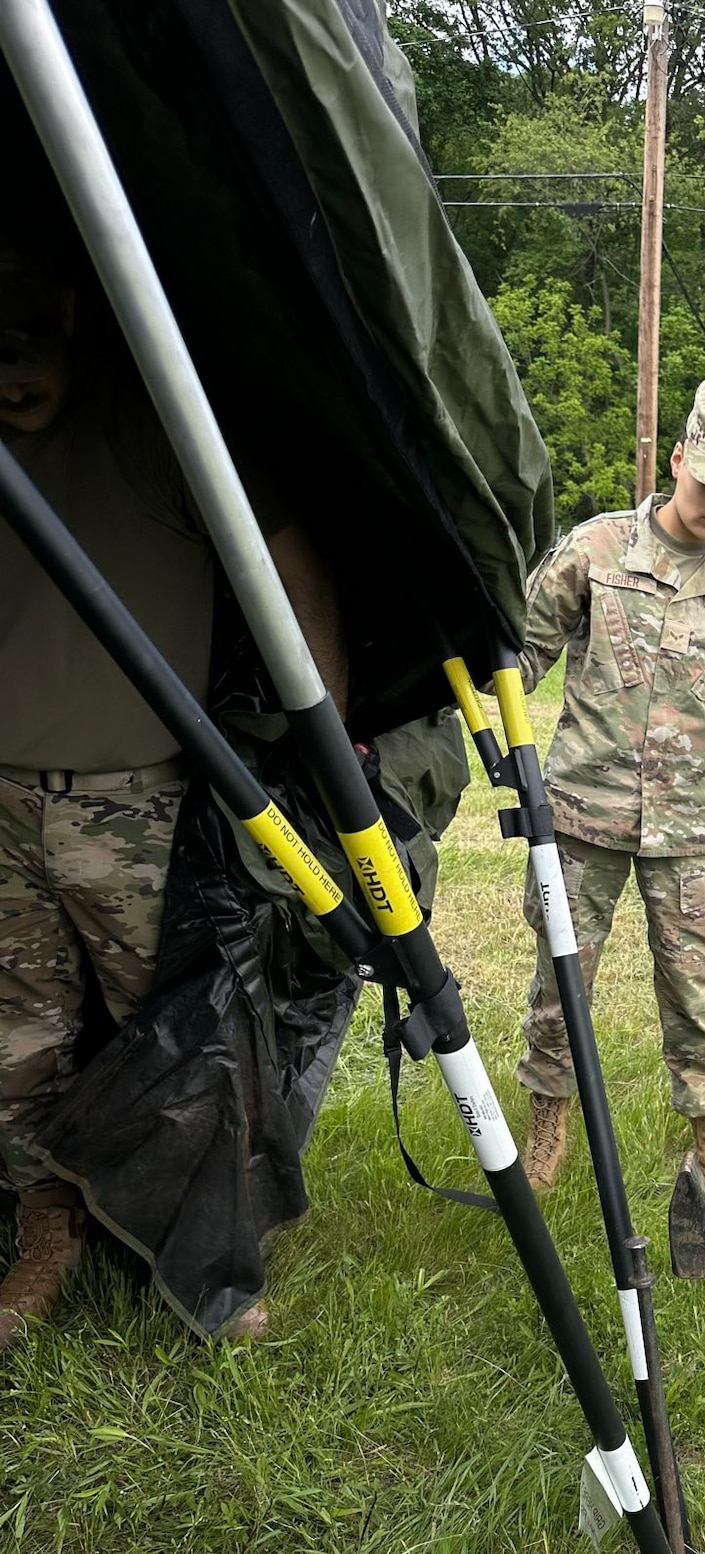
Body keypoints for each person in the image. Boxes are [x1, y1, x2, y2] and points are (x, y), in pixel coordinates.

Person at [0, 234, 348, 1346]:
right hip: (0, 803)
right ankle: (47, 1229)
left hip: (135, 806)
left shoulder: (162, 425)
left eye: (35, 328)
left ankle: (213, 1263)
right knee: (20, 1034)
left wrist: (326, 749)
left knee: (195, 1033)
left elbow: (290, 565)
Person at [515, 376, 705, 1202]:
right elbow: (514, 658)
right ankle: (548, 1124)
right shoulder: (593, 553)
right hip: (582, 814)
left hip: (692, 827)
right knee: (563, 977)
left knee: (694, 988)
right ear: (678, 459)